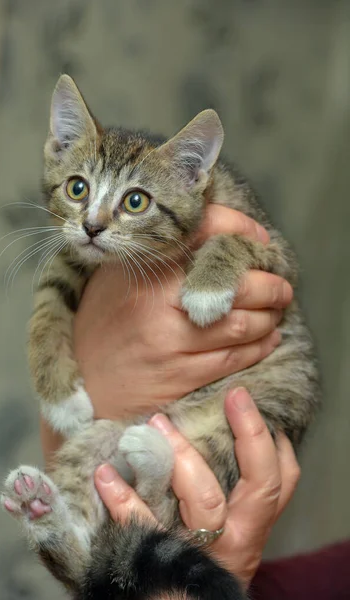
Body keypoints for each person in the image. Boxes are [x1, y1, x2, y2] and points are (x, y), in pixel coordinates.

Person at [40, 204, 299, 591]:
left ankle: (137, 519)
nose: (93, 221)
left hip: (227, 413)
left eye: (133, 202)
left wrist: (224, 258)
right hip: (131, 446)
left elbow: (275, 259)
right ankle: (98, 539)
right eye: (78, 190)